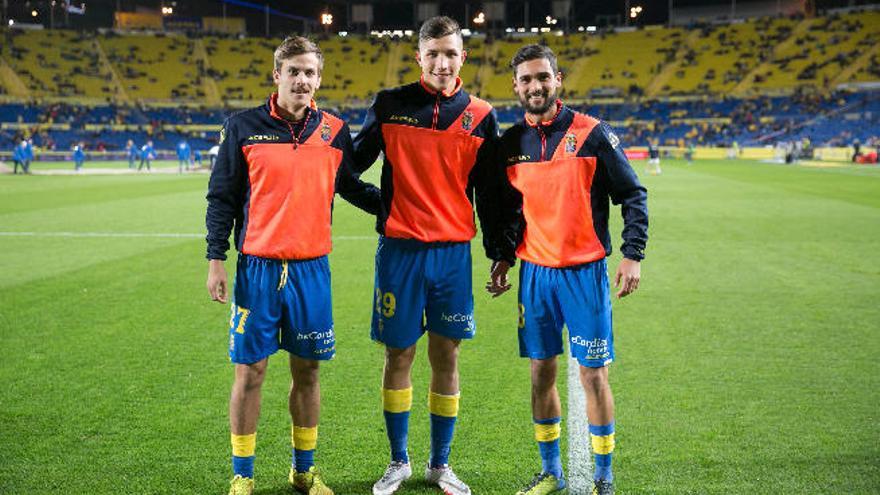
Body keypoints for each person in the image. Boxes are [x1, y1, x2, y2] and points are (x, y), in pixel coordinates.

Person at [205, 35, 379, 495]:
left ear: (319, 79)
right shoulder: (242, 127)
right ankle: (242, 475)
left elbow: (352, 187)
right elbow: (221, 198)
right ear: (277, 74)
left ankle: (303, 471)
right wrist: (215, 259)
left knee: (308, 372)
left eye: (310, 72)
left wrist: (403, 208)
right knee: (251, 371)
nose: (302, 80)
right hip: (257, 269)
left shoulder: (334, 131)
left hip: (311, 270)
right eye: (294, 71)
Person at [487, 44, 649, 495]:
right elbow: (511, 211)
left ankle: (603, 476)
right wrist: (502, 257)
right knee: (541, 372)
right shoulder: (511, 144)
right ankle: (550, 472)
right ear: (515, 87)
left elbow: (633, 195)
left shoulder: (593, 134)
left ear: (558, 80)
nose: (535, 86)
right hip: (535, 276)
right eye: (526, 80)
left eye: (543, 77)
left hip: (584, 274)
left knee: (593, 374)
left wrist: (632, 253)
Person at [352, 15, 500, 495]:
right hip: (399, 251)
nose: (441, 62)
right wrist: (382, 205)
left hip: (453, 255)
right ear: (418, 56)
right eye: (432, 53)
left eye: (450, 53)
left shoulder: (481, 115)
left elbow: (492, 193)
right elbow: (346, 165)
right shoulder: (390, 105)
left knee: (446, 355)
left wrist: (500, 252)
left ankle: (440, 465)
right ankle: (399, 462)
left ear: (463, 57)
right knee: (400, 354)